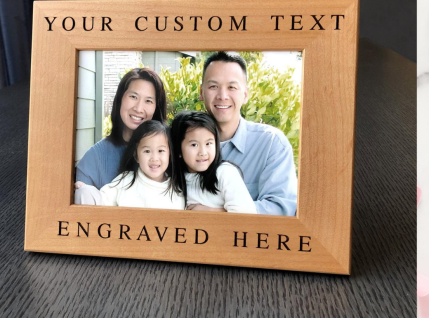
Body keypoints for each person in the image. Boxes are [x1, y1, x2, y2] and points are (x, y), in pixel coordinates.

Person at [198, 51, 298, 216]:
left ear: (245, 94)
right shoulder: (180, 142)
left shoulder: (271, 143)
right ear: (202, 92)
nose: (222, 96)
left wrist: (217, 214)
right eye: (213, 86)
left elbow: (282, 210)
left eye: (232, 87)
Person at [75, 68, 167, 190]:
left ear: (157, 107)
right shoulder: (95, 158)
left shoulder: (170, 154)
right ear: (120, 99)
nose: (139, 108)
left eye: (148, 101)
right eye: (133, 96)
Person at [75, 120, 184, 209]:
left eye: (161, 151)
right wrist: (87, 191)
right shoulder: (125, 180)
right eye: (147, 151)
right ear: (136, 156)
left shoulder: (177, 189)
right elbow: (102, 200)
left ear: (170, 154)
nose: (154, 158)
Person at [170, 110, 257, 214]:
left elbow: (247, 214)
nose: (203, 152)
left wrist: (209, 212)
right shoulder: (173, 180)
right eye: (194, 145)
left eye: (208, 143)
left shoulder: (224, 173)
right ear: (178, 149)